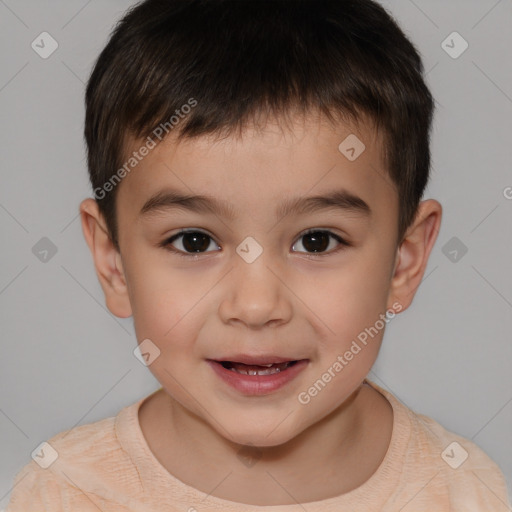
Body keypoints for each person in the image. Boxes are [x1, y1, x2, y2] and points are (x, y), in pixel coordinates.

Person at [6, 0, 511, 510]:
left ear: (405, 260)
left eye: (317, 240)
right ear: (112, 261)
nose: (255, 305)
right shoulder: (66, 494)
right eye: (194, 241)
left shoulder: (464, 491)